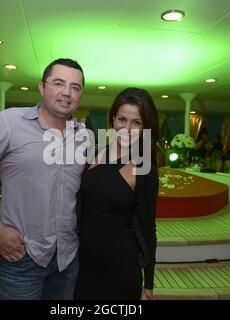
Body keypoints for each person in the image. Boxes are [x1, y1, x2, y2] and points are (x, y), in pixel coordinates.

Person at [0, 58, 86, 300]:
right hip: (23, 257)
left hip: (68, 258)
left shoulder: (83, 136)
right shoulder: (9, 123)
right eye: (59, 83)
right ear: (42, 87)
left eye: (75, 87)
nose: (67, 92)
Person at [74, 88, 159, 300]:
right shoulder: (95, 153)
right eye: (122, 119)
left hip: (119, 269)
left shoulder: (143, 166)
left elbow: (149, 228)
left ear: (145, 127)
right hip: (82, 265)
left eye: (136, 123)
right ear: (113, 119)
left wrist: (148, 285)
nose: (127, 129)